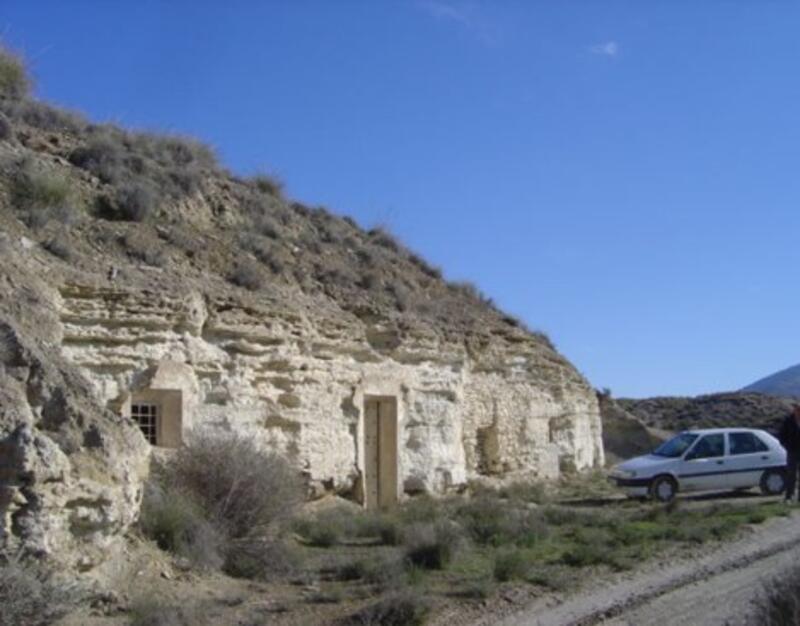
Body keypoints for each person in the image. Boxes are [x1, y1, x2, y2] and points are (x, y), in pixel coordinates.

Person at [777, 404, 800, 501]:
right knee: (791, 474)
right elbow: (781, 436)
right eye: (797, 410)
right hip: (792, 451)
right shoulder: (788, 421)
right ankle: (789, 496)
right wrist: (787, 447)